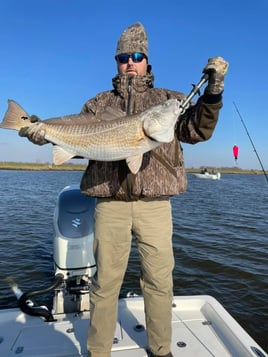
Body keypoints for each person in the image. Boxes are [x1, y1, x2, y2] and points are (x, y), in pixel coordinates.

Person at [20, 22, 228, 357]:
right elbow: (75, 139)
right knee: (105, 284)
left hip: (155, 206)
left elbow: (197, 129)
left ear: (147, 61)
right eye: (123, 56)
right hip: (110, 204)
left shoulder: (169, 101)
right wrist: (41, 131)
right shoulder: (98, 104)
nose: (130, 62)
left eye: (136, 56)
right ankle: (98, 351)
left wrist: (213, 93)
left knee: (160, 283)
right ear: (116, 62)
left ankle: (161, 350)